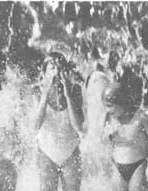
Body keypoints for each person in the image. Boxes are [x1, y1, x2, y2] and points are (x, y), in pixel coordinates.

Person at [35, 52, 85, 191]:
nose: (57, 72)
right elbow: (35, 125)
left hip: (71, 152)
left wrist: (68, 94)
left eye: (60, 68)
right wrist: (45, 94)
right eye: (52, 68)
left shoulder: (75, 90)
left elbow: (78, 126)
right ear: (44, 73)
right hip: (46, 152)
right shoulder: (37, 91)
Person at [101, 82, 148, 191]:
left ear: (121, 103)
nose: (107, 110)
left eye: (109, 106)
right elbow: (104, 141)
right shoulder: (110, 118)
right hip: (117, 167)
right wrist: (108, 135)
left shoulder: (140, 117)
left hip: (138, 166)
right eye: (105, 106)